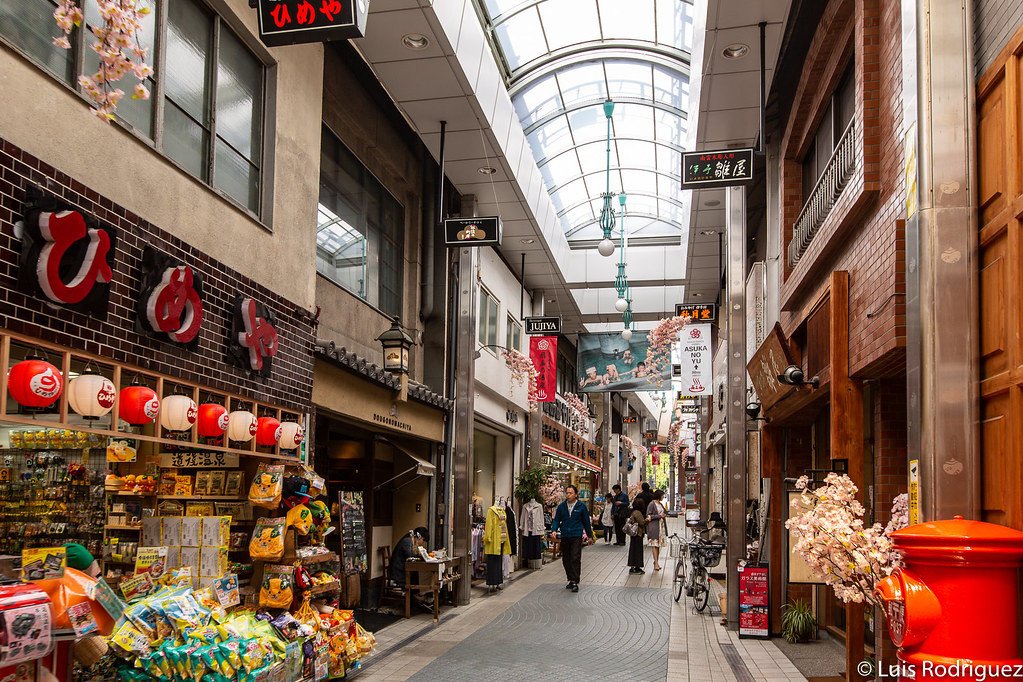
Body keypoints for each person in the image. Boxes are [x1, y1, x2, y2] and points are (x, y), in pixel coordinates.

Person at [551, 484, 592, 592]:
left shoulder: (581, 507)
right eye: (567, 493)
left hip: (576, 535)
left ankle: (575, 581)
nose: (568, 495)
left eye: (570, 493)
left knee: (575, 557)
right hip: (565, 535)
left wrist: (589, 536)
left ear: (576, 495)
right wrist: (554, 530)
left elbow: (586, 522)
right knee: (566, 559)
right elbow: (556, 520)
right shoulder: (561, 507)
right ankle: (570, 578)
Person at [389, 527, 432, 607]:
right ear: (419, 537)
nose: (422, 543)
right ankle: (417, 596)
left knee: (418, 574)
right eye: (423, 540)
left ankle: (418, 596)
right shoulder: (407, 541)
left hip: (401, 568)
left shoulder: (408, 540)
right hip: (399, 571)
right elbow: (411, 556)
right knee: (417, 575)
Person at [646, 490, 668, 570]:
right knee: (654, 544)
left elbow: (665, 512)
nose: (663, 497)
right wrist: (659, 516)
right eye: (662, 495)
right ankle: (656, 563)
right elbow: (649, 516)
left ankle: (656, 561)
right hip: (654, 526)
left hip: (660, 526)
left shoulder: (660, 504)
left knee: (658, 545)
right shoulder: (651, 504)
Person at [627, 497, 648, 574]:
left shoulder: (634, 512)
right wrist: (647, 520)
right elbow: (642, 523)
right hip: (638, 533)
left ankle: (635, 566)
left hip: (634, 534)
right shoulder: (638, 513)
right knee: (637, 550)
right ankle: (636, 567)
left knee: (634, 549)